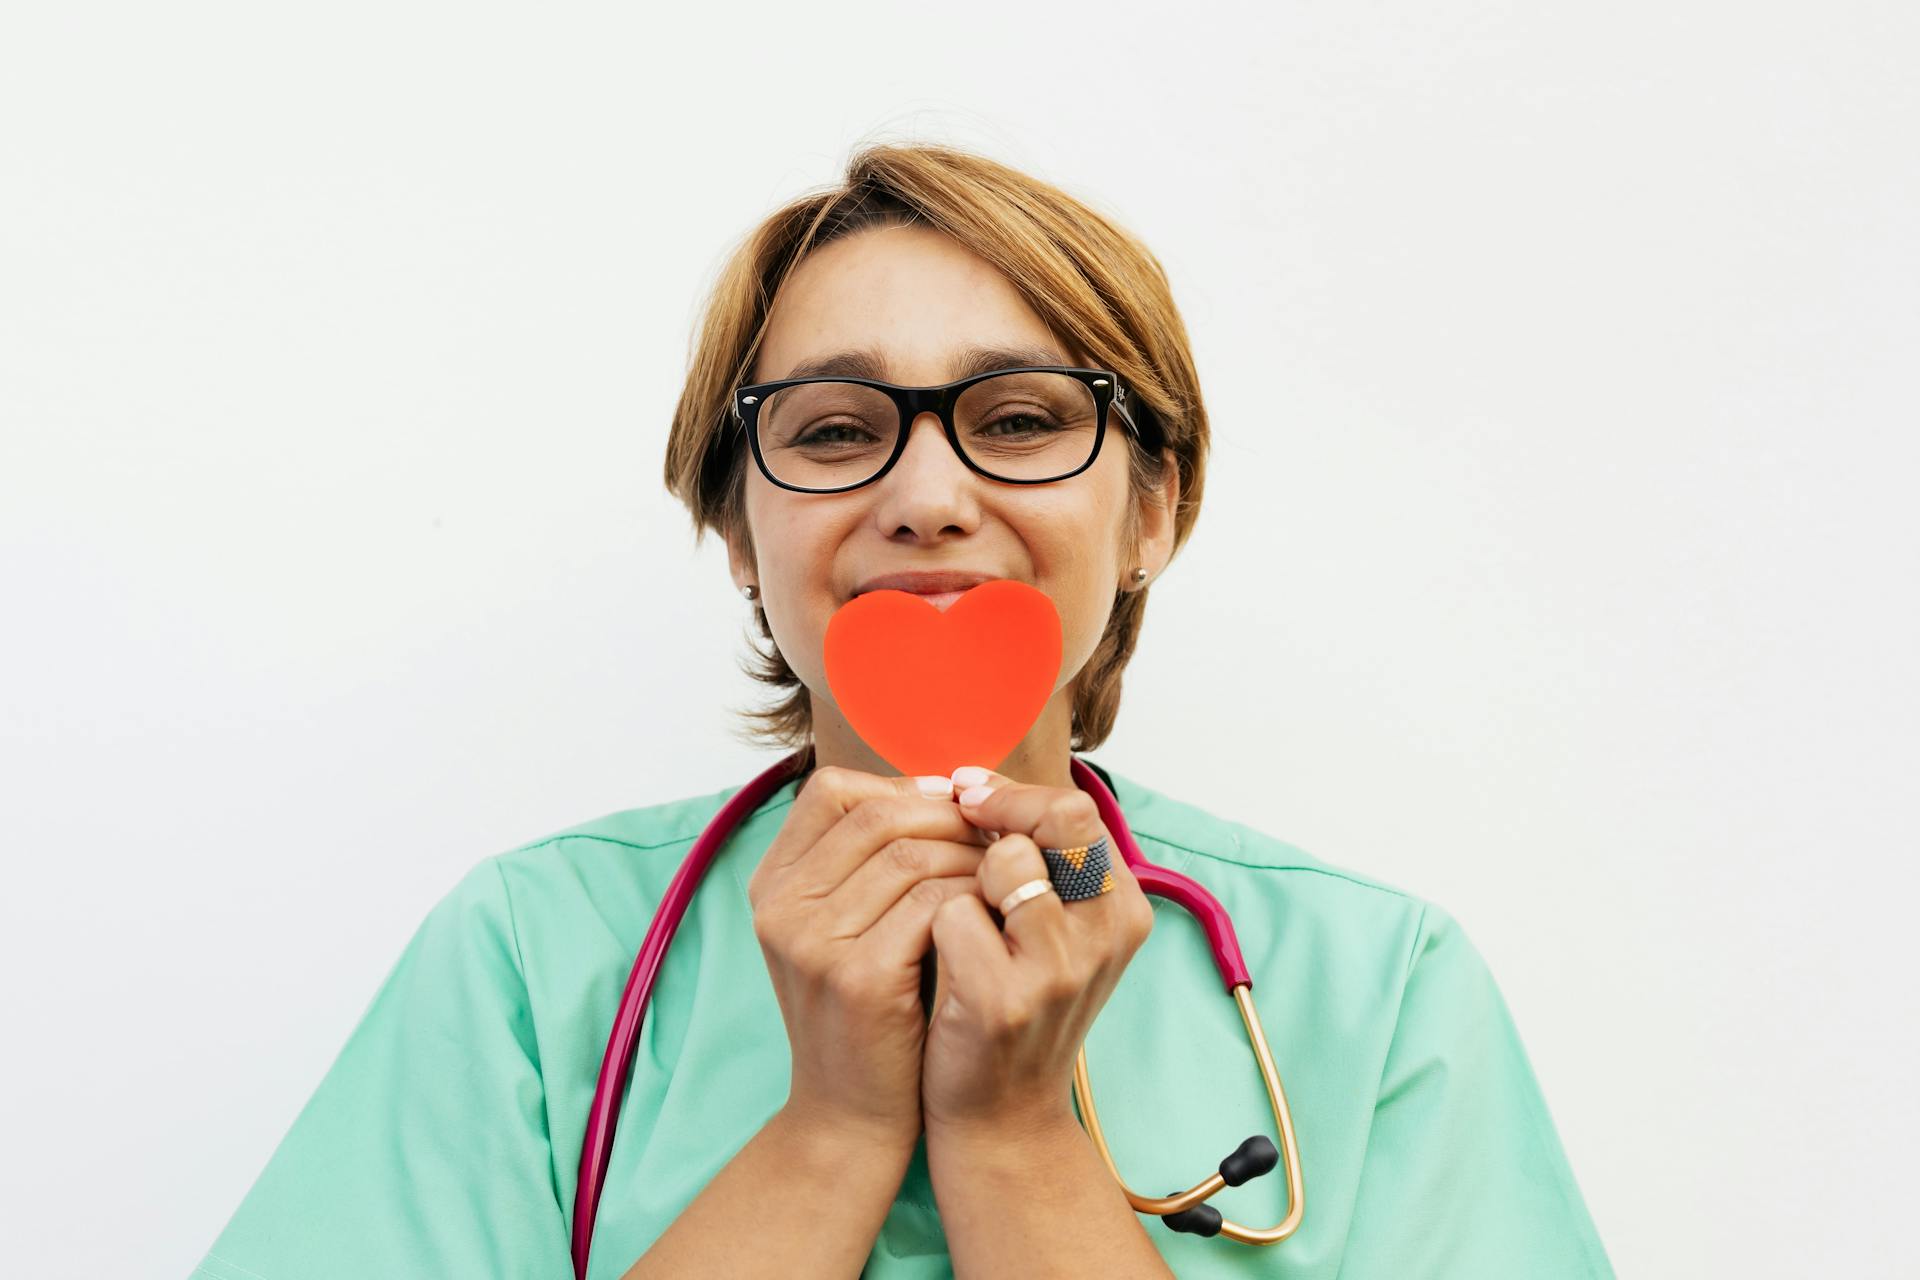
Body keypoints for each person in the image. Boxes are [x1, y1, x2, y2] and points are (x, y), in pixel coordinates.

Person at [193, 143, 1616, 1280]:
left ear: (1152, 512)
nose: (928, 497)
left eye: (1020, 420)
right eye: (833, 431)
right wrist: (833, 1125)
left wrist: (1012, 1134)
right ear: (738, 532)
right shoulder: (525, 956)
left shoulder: (1381, 987)